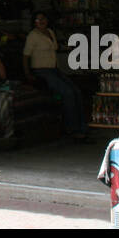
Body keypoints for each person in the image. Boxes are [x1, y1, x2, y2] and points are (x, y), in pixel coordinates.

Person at [23, 12, 88, 141]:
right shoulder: (33, 36)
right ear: (34, 21)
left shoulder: (50, 32)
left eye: (43, 18)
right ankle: (72, 129)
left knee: (76, 91)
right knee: (67, 93)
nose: (41, 21)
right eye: (38, 19)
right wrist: (28, 74)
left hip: (54, 70)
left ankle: (82, 127)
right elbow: (25, 56)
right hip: (41, 70)